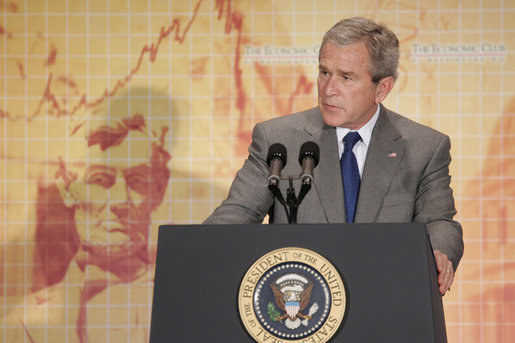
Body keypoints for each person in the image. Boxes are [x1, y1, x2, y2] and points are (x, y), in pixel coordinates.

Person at [204, 17, 464, 295]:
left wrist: (439, 251)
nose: (328, 89)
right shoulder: (278, 140)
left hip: (384, 297)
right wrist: (196, 247)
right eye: (324, 72)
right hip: (301, 305)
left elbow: (439, 221)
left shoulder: (424, 147)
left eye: (346, 77)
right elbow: (239, 212)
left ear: (382, 88)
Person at [6, 112, 171, 342]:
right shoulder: (24, 324)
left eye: (137, 181)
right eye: (100, 180)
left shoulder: (192, 304)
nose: (120, 201)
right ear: (67, 189)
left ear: (158, 192)